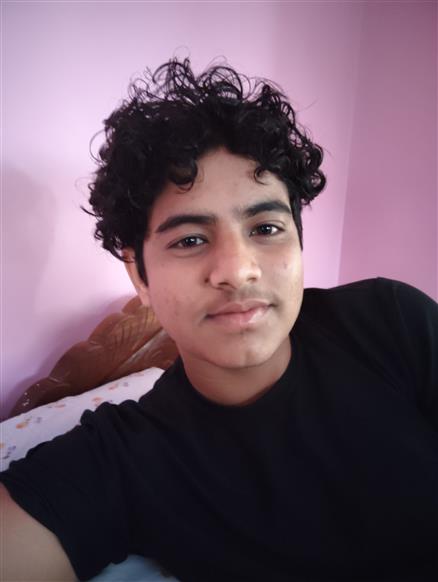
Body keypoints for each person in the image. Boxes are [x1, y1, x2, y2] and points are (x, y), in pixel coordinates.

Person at [1, 57, 437, 582]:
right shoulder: (126, 460)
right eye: (190, 239)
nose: (236, 270)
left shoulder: (390, 322)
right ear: (139, 274)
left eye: (266, 228)